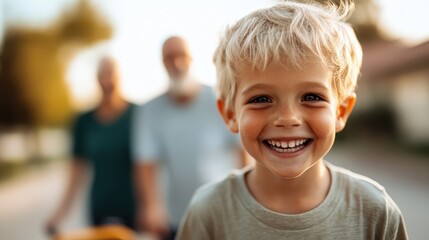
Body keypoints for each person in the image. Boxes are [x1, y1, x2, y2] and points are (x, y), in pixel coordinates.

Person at [176, 1, 408, 239]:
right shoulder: (209, 213)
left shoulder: (375, 212)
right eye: (261, 98)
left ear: (341, 111)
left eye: (311, 97)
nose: (287, 119)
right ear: (230, 115)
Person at [133, 36, 250, 239]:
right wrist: (151, 206)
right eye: (169, 58)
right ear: (163, 63)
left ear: (192, 59)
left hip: (221, 210)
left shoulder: (219, 98)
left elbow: (242, 150)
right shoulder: (150, 109)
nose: (176, 63)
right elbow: (145, 162)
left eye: (182, 56)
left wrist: (247, 199)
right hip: (176, 215)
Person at [46, 56, 137, 233]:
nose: (107, 80)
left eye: (112, 74)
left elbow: (149, 167)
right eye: (102, 74)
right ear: (97, 79)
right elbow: (76, 170)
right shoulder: (84, 121)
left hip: (134, 208)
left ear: (120, 77)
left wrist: (152, 206)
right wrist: (60, 213)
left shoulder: (137, 115)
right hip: (100, 206)